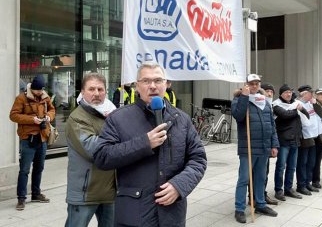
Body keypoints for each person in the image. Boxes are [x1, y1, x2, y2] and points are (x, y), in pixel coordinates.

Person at [93, 62, 207, 227]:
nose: (152, 86)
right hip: (133, 215)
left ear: (166, 84)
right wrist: (145, 143)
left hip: (171, 215)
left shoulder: (181, 119)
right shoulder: (118, 118)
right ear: (137, 85)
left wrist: (179, 185)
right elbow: (102, 157)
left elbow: (198, 159)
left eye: (158, 80)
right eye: (146, 81)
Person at [65, 73, 116, 227]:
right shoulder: (77, 118)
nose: (96, 93)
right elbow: (94, 150)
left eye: (100, 89)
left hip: (110, 191)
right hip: (85, 192)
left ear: (106, 91)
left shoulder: (113, 114)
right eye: (91, 89)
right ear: (82, 92)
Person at [232, 74, 279, 224]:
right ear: (246, 85)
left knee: (261, 177)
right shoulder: (239, 99)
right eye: (251, 83)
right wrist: (244, 97)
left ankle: (260, 204)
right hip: (248, 147)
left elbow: (271, 124)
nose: (254, 86)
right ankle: (239, 208)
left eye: (256, 83)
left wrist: (274, 144)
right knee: (244, 178)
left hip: (264, 147)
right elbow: (238, 116)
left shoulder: (264, 101)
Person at [9, 75, 55, 210]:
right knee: (24, 170)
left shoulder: (45, 97)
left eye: (41, 90)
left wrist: (48, 117)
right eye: (38, 91)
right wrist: (32, 120)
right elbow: (13, 115)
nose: (40, 93)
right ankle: (21, 199)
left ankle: (36, 194)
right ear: (32, 89)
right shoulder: (21, 98)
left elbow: (52, 110)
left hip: (43, 137)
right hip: (28, 138)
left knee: (39, 168)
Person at [273, 84, 307, 201]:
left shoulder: (294, 103)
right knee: (281, 166)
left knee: (292, 167)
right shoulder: (276, 105)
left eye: (290, 92)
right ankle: (278, 190)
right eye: (286, 92)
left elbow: (305, 113)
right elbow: (285, 115)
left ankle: (288, 188)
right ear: (281, 94)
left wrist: (298, 108)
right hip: (284, 140)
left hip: (295, 139)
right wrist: (296, 109)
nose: (288, 94)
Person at [295, 85, 322, 196]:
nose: (312, 95)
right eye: (310, 93)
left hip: (315, 136)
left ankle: (308, 182)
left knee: (311, 162)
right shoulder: (298, 104)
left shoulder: (312, 103)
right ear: (303, 94)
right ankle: (301, 185)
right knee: (303, 162)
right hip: (305, 137)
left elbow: (321, 114)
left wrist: (315, 104)